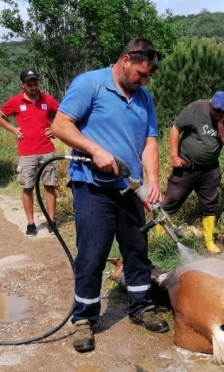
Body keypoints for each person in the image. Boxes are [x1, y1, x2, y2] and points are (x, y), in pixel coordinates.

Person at [51, 38, 167, 353]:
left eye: (147, 78)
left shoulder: (144, 99)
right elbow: (61, 125)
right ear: (126, 60)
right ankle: (84, 320)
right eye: (141, 74)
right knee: (93, 253)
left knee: (137, 249)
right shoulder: (91, 84)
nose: (143, 81)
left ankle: (141, 307)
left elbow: (150, 142)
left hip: (130, 188)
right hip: (92, 187)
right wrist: (95, 149)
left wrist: (153, 179)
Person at [157, 91, 224, 253]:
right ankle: (158, 239)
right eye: (215, 112)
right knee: (172, 201)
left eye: (221, 113)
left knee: (210, 204)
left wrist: (221, 124)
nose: (217, 115)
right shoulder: (195, 108)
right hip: (186, 166)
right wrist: (174, 156)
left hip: (210, 169)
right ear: (210, 104)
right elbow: (175, 129)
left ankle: (209, 242)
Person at [0, 68, 60, 237]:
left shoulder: (48, 99)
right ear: (22, 85)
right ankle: (31, 223)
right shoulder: (15, 102)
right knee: (27, 187)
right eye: (29, 84)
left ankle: (51, 221)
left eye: (35, 83)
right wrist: (14, 130)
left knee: (50, 186)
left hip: (46, 150)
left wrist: (54, 129)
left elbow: (63, 115)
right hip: (27, 152)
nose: (33, 87)